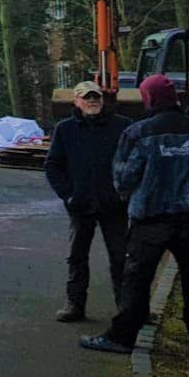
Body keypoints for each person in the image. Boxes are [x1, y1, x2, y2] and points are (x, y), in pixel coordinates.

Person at [80, 73, 189, 361]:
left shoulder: (139, 133)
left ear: (149, 98)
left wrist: (136, 195)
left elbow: (123, 177)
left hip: (151, 219)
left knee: (137, 280)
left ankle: (122, 337)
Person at [44, 81, 131, 322]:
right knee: (76, 255)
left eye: (96, 97)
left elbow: (135, 162)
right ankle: (74, 304)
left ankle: (127, 308)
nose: (92, 101)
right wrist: (68, 195)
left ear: (103, 100)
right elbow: (52, 166)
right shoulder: (65, 130)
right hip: (80, 205)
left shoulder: (123, 127)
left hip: (114, 206)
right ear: (77, 101)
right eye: (86, 97)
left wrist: (125, 192)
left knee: (121, 257)